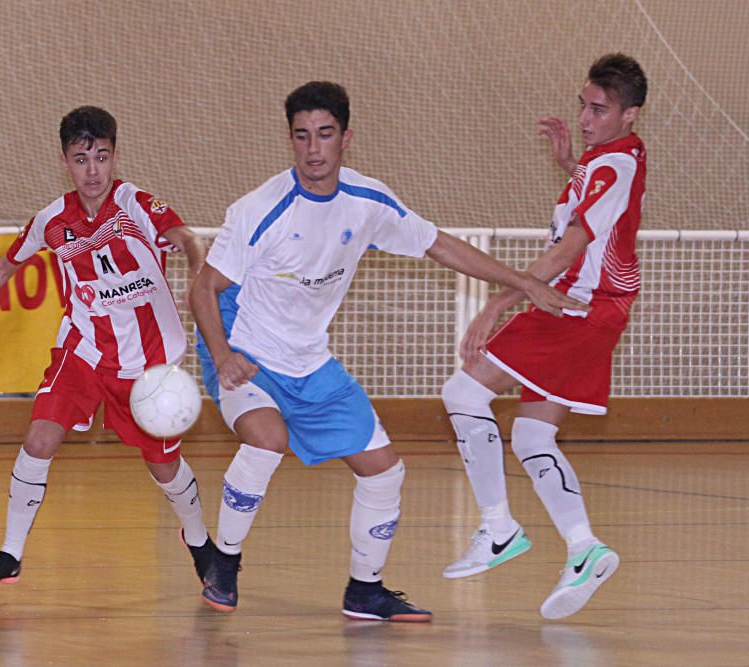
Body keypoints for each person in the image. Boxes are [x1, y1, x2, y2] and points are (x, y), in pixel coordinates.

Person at [189, 81, 587, 622]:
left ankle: (365, 591)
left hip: (309, 359)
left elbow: (439, 244)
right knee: (267, 441)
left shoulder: (369, 201)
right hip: (244, 349)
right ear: (290, 140)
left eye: (324, 134)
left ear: (345, 138)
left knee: (385, 471)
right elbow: (202, 289)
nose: (313, 148)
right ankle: (225, 565)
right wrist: (222, 353)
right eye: (302, 136)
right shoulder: (260, 208)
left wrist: (523, 283)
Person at [0, 106, 212, 590]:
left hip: (146, 363)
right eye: (81, 159)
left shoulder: (135, 204)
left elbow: (185, 236)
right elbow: (4, 267)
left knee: (163, 465)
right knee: (39, 439)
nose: (92, 170)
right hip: (83, 349)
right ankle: (10, 553)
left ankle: (200, 541)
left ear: (115, 156)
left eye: (101, 157)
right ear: (65, 162)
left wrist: (198, 273)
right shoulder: (51, 221)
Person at [440, 53, 648, 620]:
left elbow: (570, 248)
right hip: (591, 311)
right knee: (533, 436)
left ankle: (498, 528)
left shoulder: (614, 166)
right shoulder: (606, 159)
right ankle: (584, 548)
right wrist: (570, 164)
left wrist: (502, 299)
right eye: (583, 104)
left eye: (599, 109)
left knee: (462, 395)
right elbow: (594, 216)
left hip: (574, 307)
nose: (585, 117)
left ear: (630, 114)